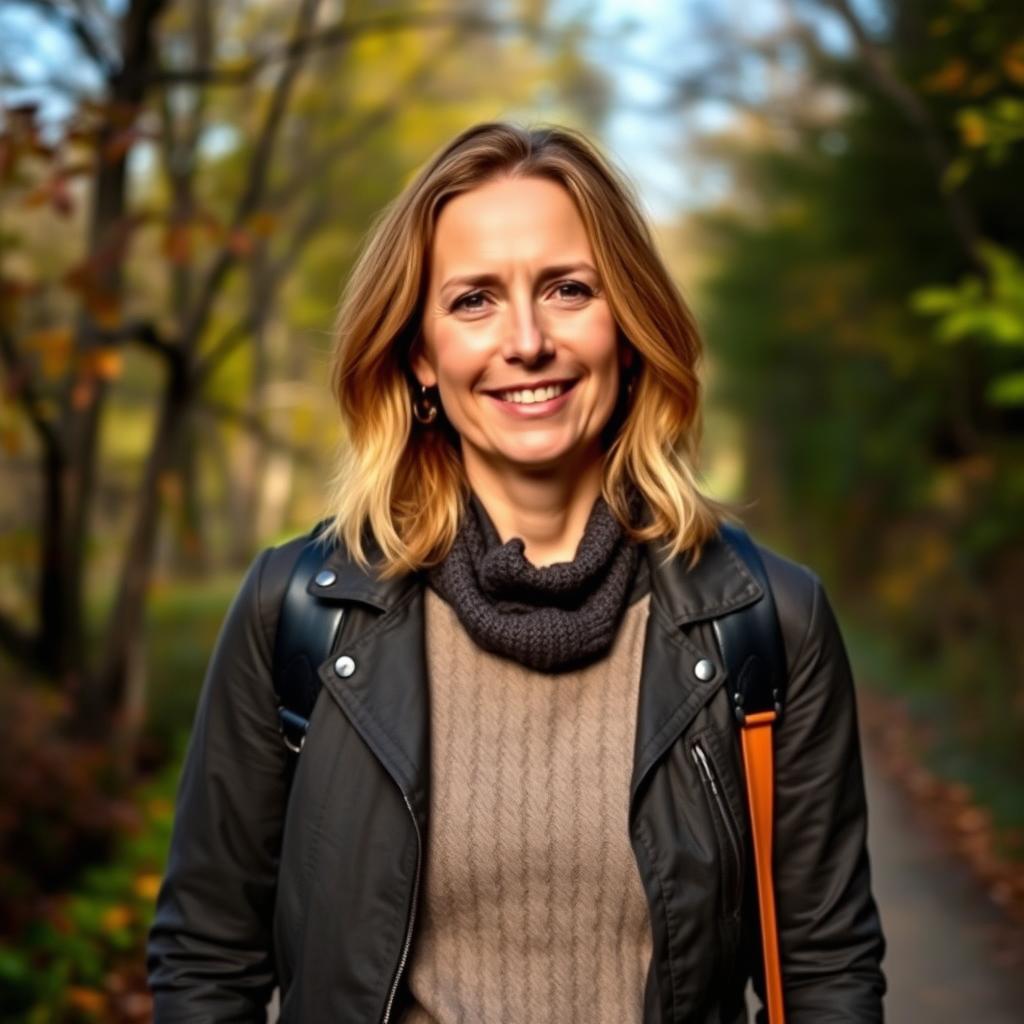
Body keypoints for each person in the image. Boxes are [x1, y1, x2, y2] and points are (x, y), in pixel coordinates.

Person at [146, 121, 887, 1023]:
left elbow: (827, 968)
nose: (527, 341)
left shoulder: (766, 619)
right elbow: (206, 959)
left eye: (569, 289)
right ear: (419, 353)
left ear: (630, 325)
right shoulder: (299, 611)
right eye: (474, 301)